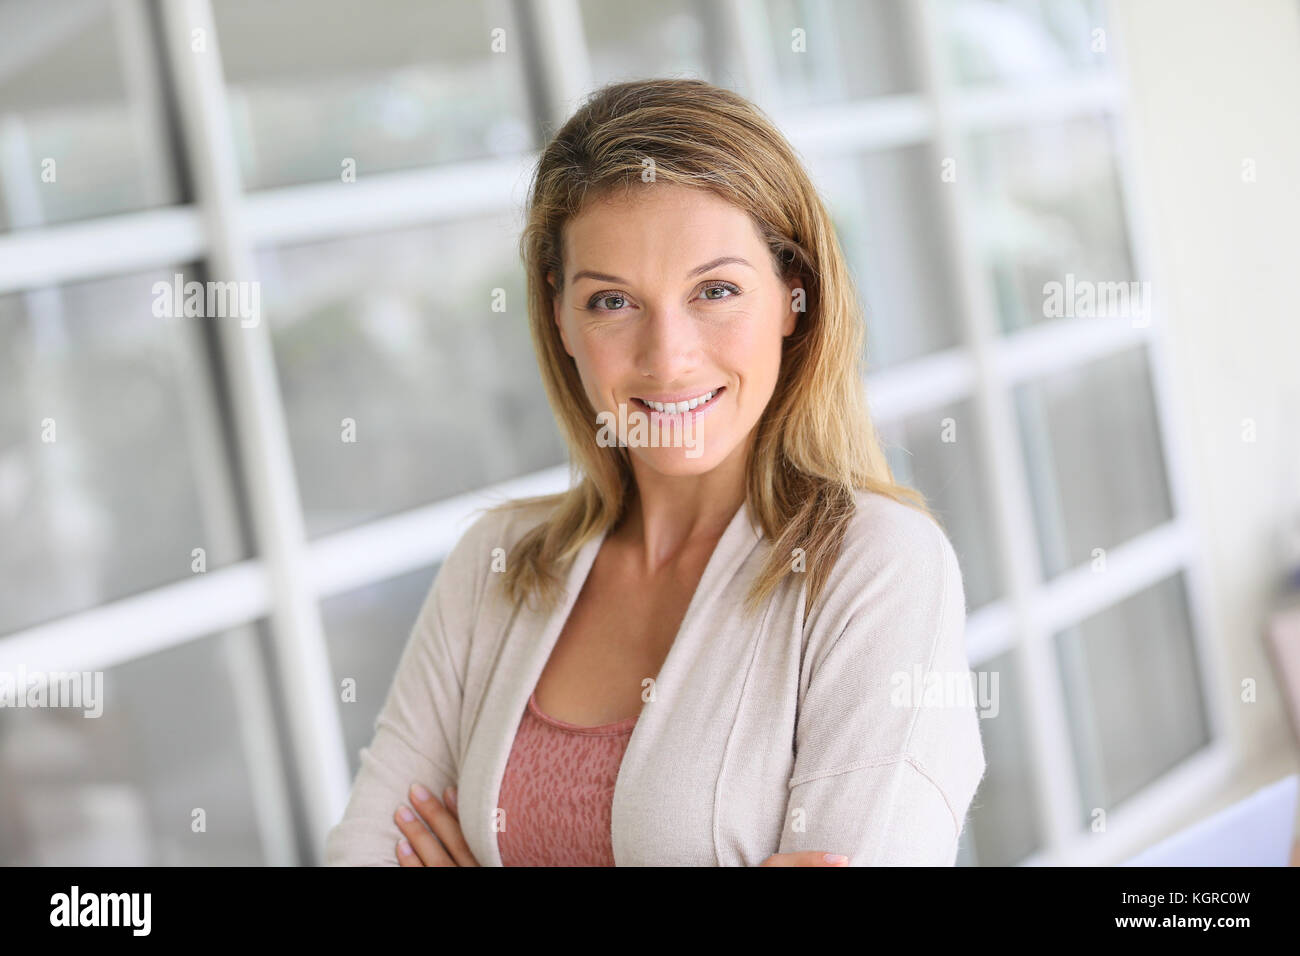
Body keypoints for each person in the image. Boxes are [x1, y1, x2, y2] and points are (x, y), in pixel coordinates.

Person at [324, 78, 986, 867]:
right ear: (561, 317)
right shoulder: (495, 566)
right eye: (612, 302)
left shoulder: (876, 568)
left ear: (793, 296)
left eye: (715, 290)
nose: (667, 358)